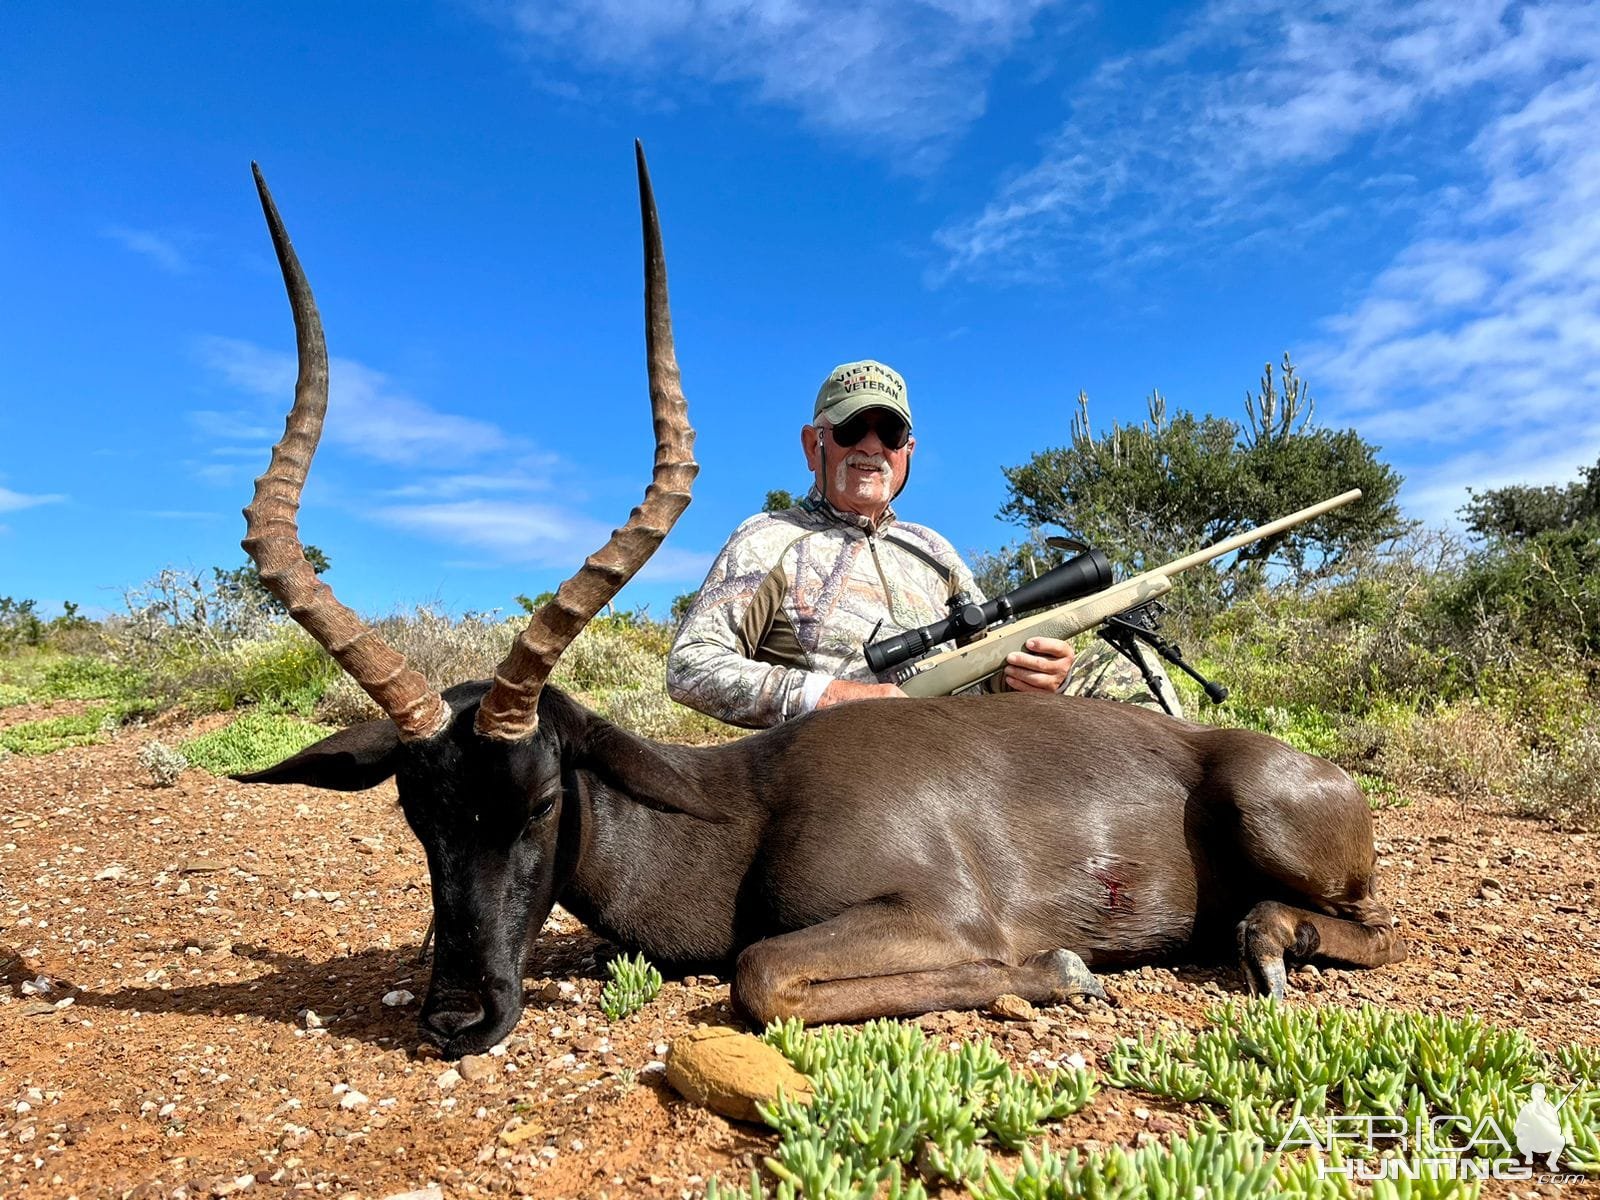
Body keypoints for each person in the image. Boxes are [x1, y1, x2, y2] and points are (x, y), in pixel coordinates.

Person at [666, 359, 1181, 728]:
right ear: (812, 443)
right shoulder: (769, 537)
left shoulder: (932, 548)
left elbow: (984, 659)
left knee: (1122, 673)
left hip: (959, 737)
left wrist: (1026, 675)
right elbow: (693, 666)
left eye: (888, 433)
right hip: (847, 755)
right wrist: (832, 698)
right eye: (850, 429)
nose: (871, 445)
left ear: (906, 452)